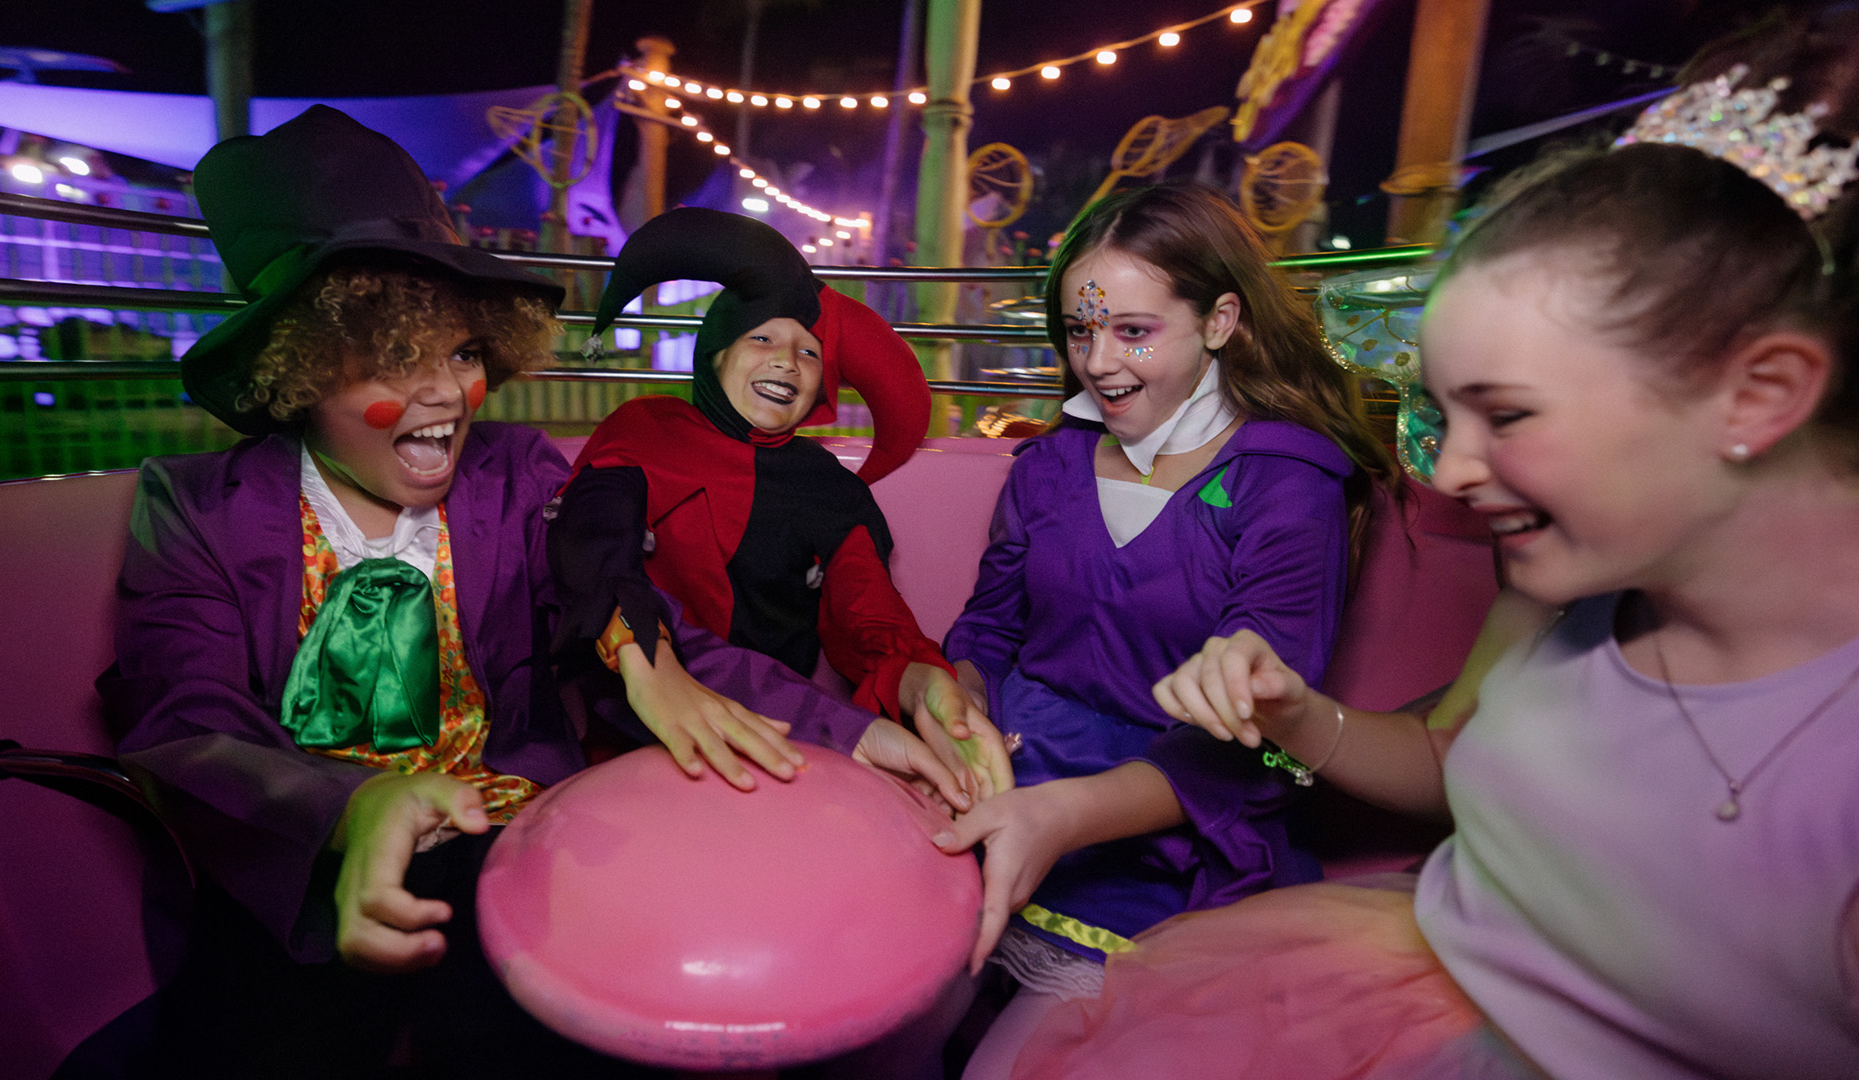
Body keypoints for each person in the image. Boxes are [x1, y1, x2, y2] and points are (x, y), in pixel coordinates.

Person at [1006, 11, 1859, 1077]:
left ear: (1759, 393)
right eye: (1443, 414)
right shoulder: (1564, 587)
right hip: (1401, 980)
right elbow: (1449, 760)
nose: (1446, 472)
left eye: (1505, 417)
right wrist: (1291, 709)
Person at [93, 106, 962, 1078]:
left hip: (512, 862)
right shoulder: (196, 510)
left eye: (460, 354)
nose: (441, 396)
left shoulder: (515, 479)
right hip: (296, 899)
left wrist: (856, 733)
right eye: (389, 360)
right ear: (294, 374)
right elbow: (185, 718)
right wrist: (349, 809)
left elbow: (646, 631)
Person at [930, 180, 1402, 1076]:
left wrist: (1061, 815)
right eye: (1080, 331)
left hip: (1172, 847)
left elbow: (1253, 731)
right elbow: (988, 625)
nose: (1098, 364)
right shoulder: (1049, 463)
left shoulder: (1283, 482)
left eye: (1133, 331)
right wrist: (958, 702)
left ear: (1221, 321)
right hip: (996, 797)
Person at [552, 207, 1013, 803]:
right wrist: (646, 658)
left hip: (784, 742)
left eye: (810, 353)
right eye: (762, 337)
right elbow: (593, 545)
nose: (786, 361)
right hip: (630, 730)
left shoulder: (828, 485)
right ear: (715, 353)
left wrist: (924, 681)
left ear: (821, 391)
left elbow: (868, 610)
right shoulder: (644, 429)